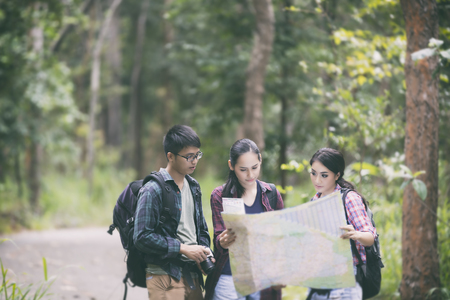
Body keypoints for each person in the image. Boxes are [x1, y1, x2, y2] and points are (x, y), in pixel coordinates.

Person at [133, 124, 213, 300]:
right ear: (170, 156)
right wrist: (182, 248)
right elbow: (141, 236)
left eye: (197, 155)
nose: (194, 161)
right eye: (188, 156)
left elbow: (201, 229)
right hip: (164, 275)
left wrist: (204, 251)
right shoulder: (153, 189)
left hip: (192, 274)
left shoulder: (194, 186)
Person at [204, 138, 285, 300]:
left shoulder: (271, 193)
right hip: (229, 279)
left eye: (255, 167)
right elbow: (219, 238)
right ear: (231, 166)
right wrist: (222, 241)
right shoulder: (220, 195)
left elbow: (282, 237)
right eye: (243, 169)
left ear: (260, 159)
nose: (250, 175)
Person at [306, 148, 377, 300]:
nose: (317, 180)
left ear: (337, 175)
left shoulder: (349, 198)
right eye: (313, 173)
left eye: (324, 175)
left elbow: (370, 237)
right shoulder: (314, 201)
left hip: (346, 280)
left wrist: (356, 234)